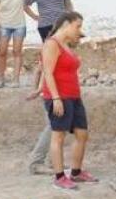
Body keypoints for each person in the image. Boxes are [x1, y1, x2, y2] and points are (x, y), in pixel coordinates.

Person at [37, 11, 96, 189]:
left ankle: (76, 172)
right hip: (59, 97)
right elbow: (47, 72)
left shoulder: (67, 45)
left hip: (73, 96)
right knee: (59, 136)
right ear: (66, 24)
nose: (79, 30)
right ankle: (60, 177)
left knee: (82, 134)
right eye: (77, 26)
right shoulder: (51, 44)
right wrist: (55, 98)